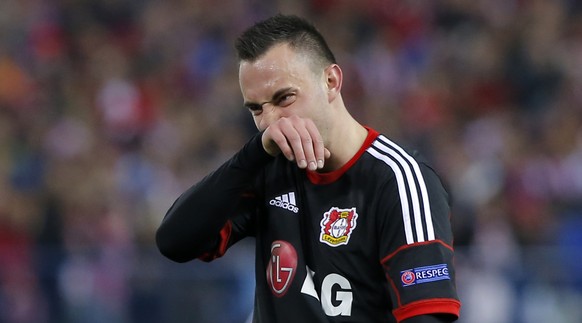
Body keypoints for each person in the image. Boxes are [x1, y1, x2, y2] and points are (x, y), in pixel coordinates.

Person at [156, 14, 461, 323]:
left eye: (284, 98)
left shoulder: (399, 180)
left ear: (331, 82)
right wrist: (251, 154)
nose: (271, 122)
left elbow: (427, 315)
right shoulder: (267, 168)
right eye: (256, 109)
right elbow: (175, 243)